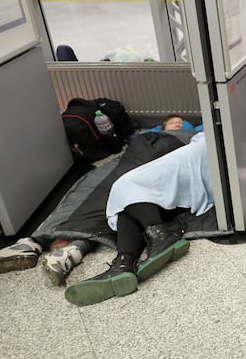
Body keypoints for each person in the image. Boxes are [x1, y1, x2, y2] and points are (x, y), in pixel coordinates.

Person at [0, 114, 187, 287]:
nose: (178, 122)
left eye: (181, 121)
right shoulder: (149, 135)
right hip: (141, 151)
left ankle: (66, 247)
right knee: (107, 192)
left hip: (170, 150)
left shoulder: (191, 134)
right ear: (163, 125)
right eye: (172, 120)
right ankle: (52, 245)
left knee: (122, 195)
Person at [64, 127, 212, 306]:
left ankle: (160, 236)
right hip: (206, 157)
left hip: (204, 147)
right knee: (130, 203)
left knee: (125, 185)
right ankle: (124, 264)